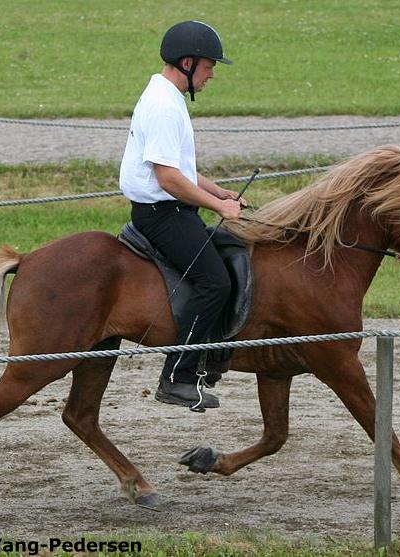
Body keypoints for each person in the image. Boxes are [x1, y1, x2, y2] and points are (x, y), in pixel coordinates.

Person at [119, 20, 245, 410]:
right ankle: (178, 376)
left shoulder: (166, 96)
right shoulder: (162, 106)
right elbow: (168, 178)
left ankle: (210, 356)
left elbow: (179, 169)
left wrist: (214, 189)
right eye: (209, 67)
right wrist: (220, 207)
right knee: (215, 283)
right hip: (163, 215)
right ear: (188, 63)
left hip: (172, 208)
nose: (211, 75)